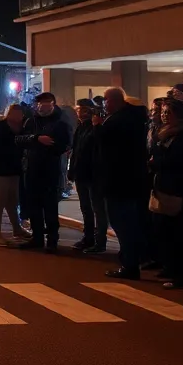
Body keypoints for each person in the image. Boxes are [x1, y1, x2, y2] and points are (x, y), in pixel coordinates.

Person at [97, 88, 150, 279]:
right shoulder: (131, 119)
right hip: (126, 179)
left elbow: (108, 146)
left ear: (113, 101)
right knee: (126, 222)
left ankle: (130, 263)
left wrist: (98, 128)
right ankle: (131, 259)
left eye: (105, 101)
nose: (104, 104)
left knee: (123, 223)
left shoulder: (121, 121)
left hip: (120, 180)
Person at [148, 99, 183, 289]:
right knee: (162, 228)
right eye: (162, 111)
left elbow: (177, 160)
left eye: (168, 112)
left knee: (176, 230)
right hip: (161, 185)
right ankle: (169, 266)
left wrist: (156, 161)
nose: (164, 115)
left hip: (176, 187)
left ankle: (182, 273)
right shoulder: (163, 134)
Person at [18, 92, 70, 251]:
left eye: (45, 102)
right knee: (34, 205)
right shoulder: (31, 121)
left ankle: (52, 240)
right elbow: (19, 139)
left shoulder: (60, 123)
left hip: (50, 169)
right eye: (39, 103)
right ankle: (37, 237)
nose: (40, 106)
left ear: (52, 103)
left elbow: (63, 145)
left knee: (50, 206)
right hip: (31, 168)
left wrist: (49, 147)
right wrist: (36, 139)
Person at [0, 104, 29, 245]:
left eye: (19, 113)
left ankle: (17, 228)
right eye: (14, 112)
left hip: (14, 168)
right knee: (0, 199)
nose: (17, 116)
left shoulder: (22, 127)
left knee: (13, 200)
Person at [69, 99, 107, 254]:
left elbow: (100, 146)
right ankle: (88, 236)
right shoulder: (80, 127)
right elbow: (76, 151)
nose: (80, 112)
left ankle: (100, 241)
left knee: (97, 208)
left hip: (94, 174)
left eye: (84, 109)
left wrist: (97, 125)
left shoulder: (96, 127)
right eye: (78, 109)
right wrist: (72, 170)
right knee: (86, 207)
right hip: (81, 173)